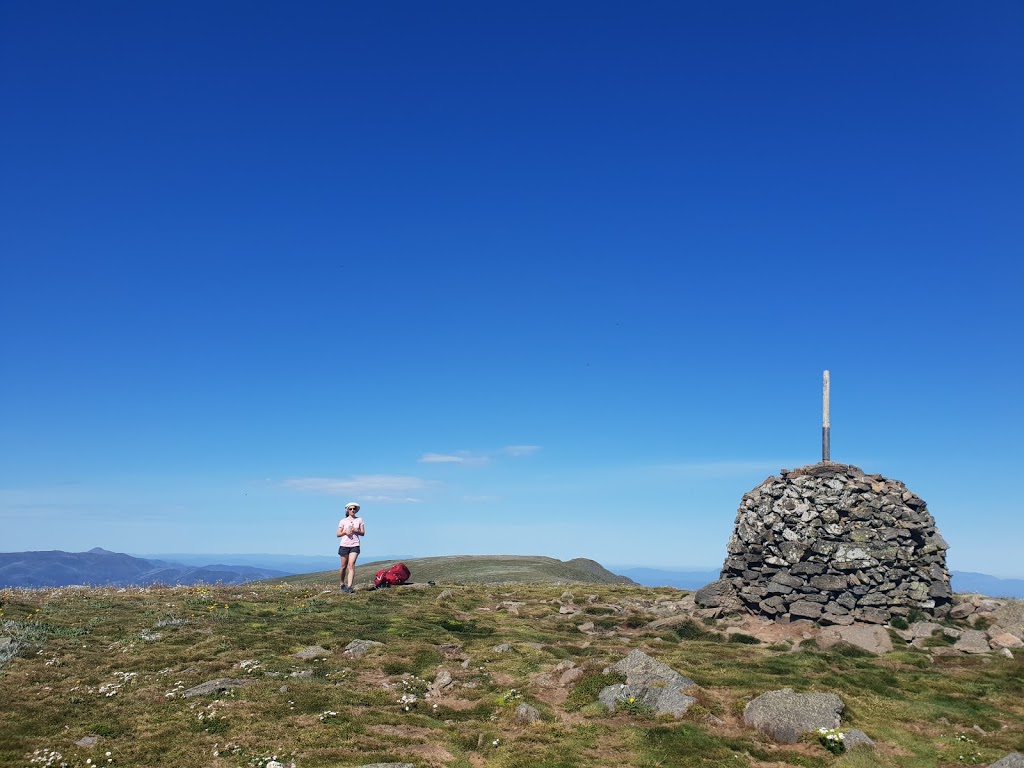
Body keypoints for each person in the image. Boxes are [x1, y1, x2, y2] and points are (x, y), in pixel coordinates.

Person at [337, 501, 365, 593]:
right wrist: (345, 532)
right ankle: (342, 583)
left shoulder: (359, 520)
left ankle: (349, 587)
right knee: (343, 566)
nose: (352, 510)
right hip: (344, 545)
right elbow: (338, 534)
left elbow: (363, 533)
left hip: (355, 545)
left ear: (356, 510)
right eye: (350, 509)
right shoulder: (343, 521)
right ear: (347, 510)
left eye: (354, 509)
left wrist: (355, 530)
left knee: (351, 565)